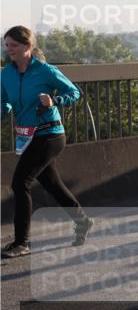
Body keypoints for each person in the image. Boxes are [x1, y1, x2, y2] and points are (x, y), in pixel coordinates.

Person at [1, 26, 93, 258]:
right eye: (6, 45)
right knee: (52, 184)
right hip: (28, 135)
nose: (9, 49)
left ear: (28, 46)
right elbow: (4, 103)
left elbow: (74, 92)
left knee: (20, 182)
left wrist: (54, 100)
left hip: (50, 134)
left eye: (14, 45)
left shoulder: (45, 71)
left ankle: (22, 243)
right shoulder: (5, 74)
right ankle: (82, 221)